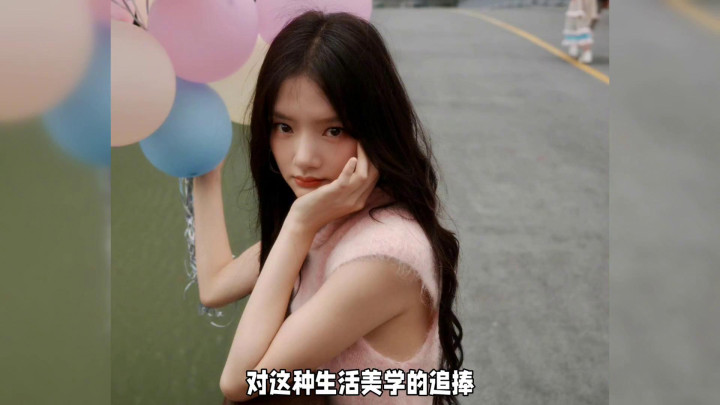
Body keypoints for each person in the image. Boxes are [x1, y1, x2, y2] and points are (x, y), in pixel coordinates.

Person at [192, 11, 463, 405]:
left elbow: (242, 384)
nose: (303, 158)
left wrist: (299, 223)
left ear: (375, 129)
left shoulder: (384, 254)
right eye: (284, 127)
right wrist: (204, 169)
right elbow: (216, 285)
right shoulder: (331, 215)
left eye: (333, 130)